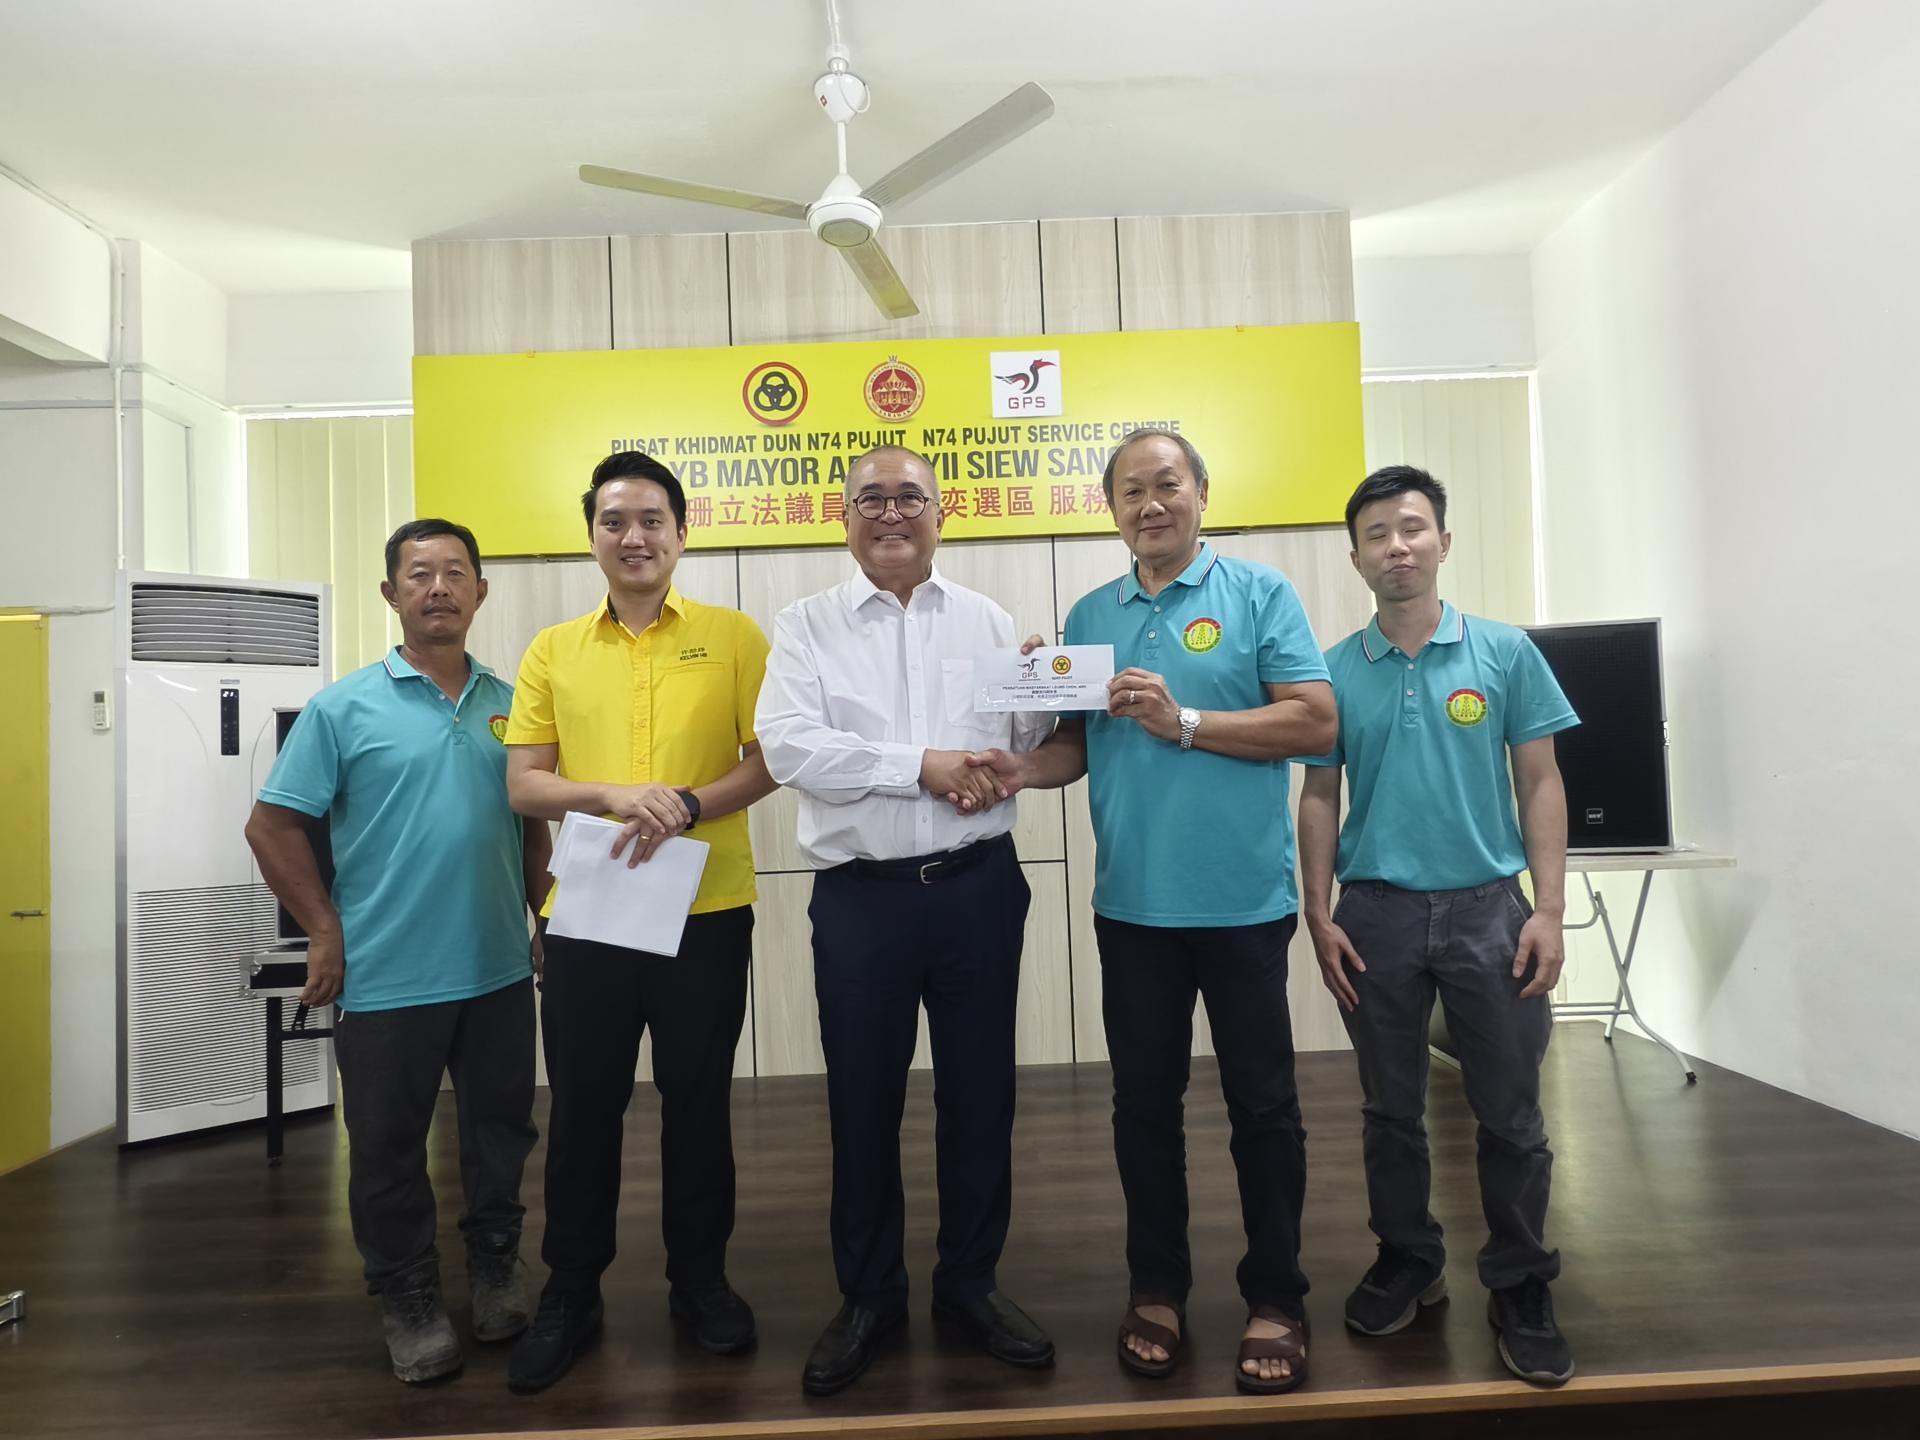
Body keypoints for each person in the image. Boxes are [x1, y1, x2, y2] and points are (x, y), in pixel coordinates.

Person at [968, 428, 1336, 1394]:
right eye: (1131, 491)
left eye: (1167, 484)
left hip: (1243, 901)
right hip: (1132, 905)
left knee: (1264, 1106)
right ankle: (1158, 1288)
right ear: (1112, 509)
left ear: (1202, 493)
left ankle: (1277, 1296)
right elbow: (1080, 745)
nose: (1150, 504)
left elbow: (1314, 719)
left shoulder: (1259, 594)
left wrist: (1187, 721)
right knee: (1142, 1108)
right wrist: (1020, 764)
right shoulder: (1092, 612)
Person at [755, 445, 1056, 1396]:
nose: (892, 513)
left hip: (977, 888)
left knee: (981, 1094)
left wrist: (1041, 693)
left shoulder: (988, 620)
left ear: (941, 511)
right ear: (843, 516)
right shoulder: (804, 626)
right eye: (871, 498)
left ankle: (970, 1284)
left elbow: (1017, 747)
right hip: (863, 900)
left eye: (910, 497)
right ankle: (870, 1296)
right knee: (862, 1099)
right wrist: (919, 765)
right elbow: (791, 747)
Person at [245, 518, 551, 1384]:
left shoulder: (513, 703)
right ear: (391, 594)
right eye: (419, 574)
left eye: (456, 572)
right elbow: (271, 827)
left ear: (481, 591)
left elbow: (532, 827)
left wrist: (546, 919)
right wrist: (324, 930)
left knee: (501, 1135)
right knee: (385, 1150)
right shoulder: (342, 708)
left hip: (497, 970)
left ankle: (495, 1269)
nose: (439, 587)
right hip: (386, 976)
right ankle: (408, 1295)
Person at [1297, 464, 1580, 1385]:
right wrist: (1318, 913)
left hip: (1489, 911)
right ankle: (1409, 1259)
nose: (1397, 547)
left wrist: (1548, 909)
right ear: (1356, 558)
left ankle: (1521, 1279)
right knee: (1390, 1110)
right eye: (1377, 535)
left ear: (1444, 542)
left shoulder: (1504, 653)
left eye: (1412, 529)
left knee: (1511, 1113)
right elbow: (1320, 795)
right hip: (1374, 914)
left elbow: (1540, 780)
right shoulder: (1334, 671)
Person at [500, 450, 776, 1394]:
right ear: (592, 537)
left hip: (707, 908)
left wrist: (688, 804)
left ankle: (700, 1281)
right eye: (614, 521)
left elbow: (769, 760)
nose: (634, 536)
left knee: (699, 1104)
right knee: (584, 1108)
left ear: (682, 533)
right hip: (590, 911)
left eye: (652, 519)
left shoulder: (735, 637)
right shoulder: (552, 649)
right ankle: (571, 1290)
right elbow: (524, 782)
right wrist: (617, 795)